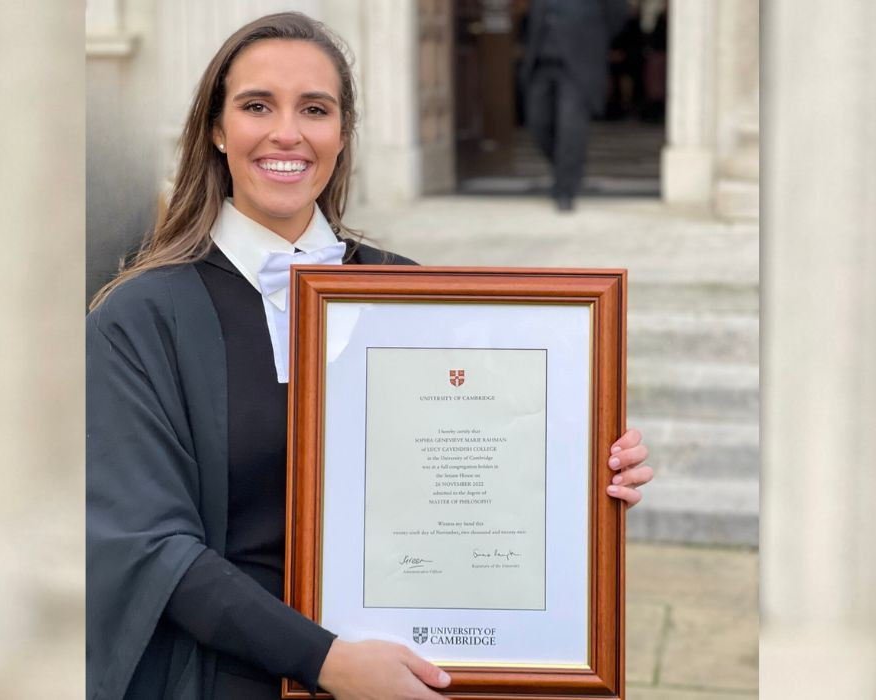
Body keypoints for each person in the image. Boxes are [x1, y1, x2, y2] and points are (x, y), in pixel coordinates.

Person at [87, 12, 653, 700]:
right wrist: (326, 662)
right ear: (215, 128)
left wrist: (584, 466)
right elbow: (153, 547)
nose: (287, 133)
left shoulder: (407, 294)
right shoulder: (141, 317)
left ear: (343, 132)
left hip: (401, 678)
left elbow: (480, 462)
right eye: (257, 105)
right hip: (224, 681)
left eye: (315, 109)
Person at [520, 0, 626, 211]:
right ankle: (566, 170)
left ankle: (565, 189)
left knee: (571, 128)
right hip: (541, 64)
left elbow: (617, 16)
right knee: (537, 122)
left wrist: (593, 41)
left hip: (579, 67)